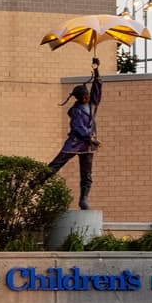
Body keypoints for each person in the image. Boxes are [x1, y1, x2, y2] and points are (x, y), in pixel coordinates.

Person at [39, 61, 104, 209]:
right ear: (80, 98)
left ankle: (84, 200)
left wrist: (96, 70)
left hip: (88, 146)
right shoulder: (76, 110)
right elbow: (78, 128)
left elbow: (97, 88)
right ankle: (37, 181)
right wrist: (91, 139)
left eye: (88, 94)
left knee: (87, 174)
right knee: (57, 163)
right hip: (76, 142)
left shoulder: (92, 105)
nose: (88, 96)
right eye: (85, 95)